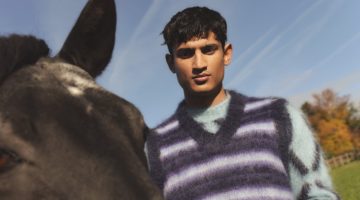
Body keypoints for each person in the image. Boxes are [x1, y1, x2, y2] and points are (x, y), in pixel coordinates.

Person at [146, 6, 340, 200]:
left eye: (208, 49)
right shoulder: (155, 147)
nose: (199, 64)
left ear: (227, 53)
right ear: (171, 63)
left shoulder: (279, 116)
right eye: (186, 53)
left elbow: (319, 194)